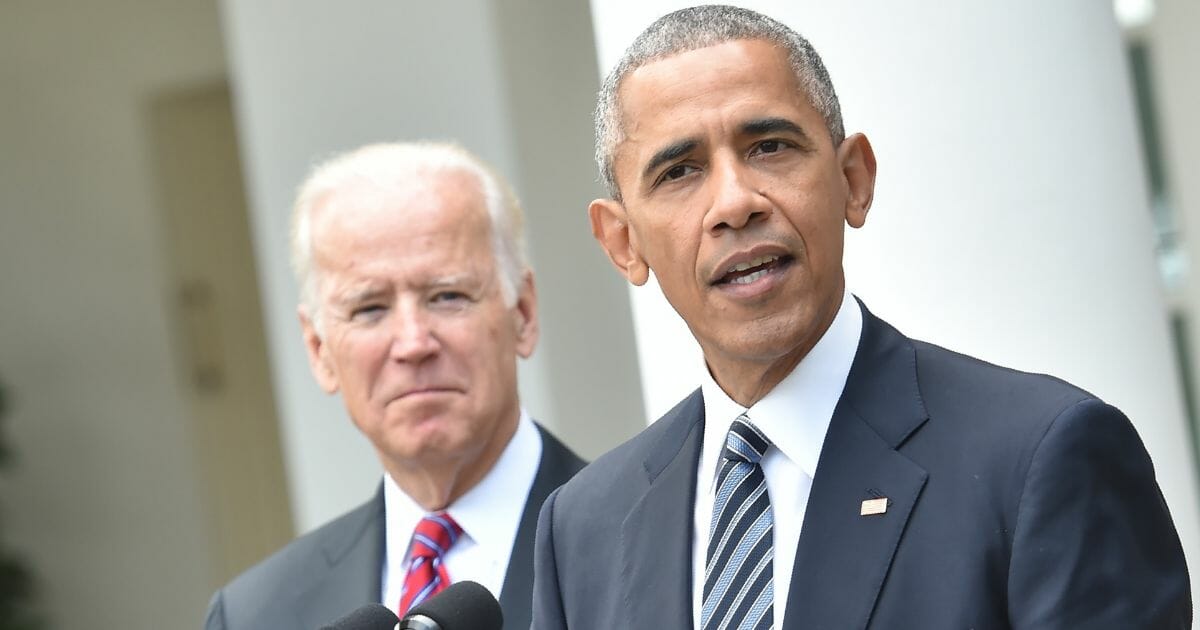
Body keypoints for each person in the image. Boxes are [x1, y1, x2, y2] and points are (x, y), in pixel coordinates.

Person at [531, 5, 1190, 629]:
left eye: (769, 147)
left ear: (854, 178)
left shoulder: (1041, 459)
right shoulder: (583, 527)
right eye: (679, 172)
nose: (735, 202)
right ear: (623, 243)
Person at [205, 142, 584, 630]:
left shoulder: (648, 534)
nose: (412, 343)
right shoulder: (255, 615)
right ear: (319, 349)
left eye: (447, 296)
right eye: (369, 309)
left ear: (523, 314)